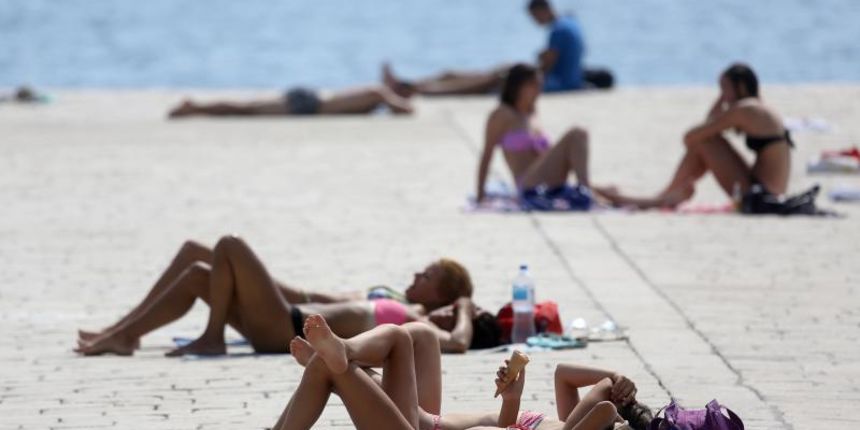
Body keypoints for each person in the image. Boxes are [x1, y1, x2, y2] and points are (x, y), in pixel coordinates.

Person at [74, 235, 498, 356]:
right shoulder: (406, 307)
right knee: (197, 271)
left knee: (230, 245)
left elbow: (459, 343)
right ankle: (124, 333)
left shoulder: (418, 324)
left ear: (448, 295)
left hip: (285, 325)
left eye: (428, 275)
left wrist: (462, 308)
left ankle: (213, 335)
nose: (417, 274)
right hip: (285, 316)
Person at [274, 314, 653, 430]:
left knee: (387, 343)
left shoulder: (585, 426)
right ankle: (345, 355)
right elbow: (565, 374)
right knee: (419, 334)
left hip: (420, 427)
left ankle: (342, 357)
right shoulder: (568, 422)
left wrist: (617, 409)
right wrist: (616, 377)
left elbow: (602, 409)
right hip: (429, 420)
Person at [604, 63, 793, 209]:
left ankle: (663, 197)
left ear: (740, 86)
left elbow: (692, 136)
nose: (724, 96)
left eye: (725, 88)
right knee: (706, 140)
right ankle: (666, 196)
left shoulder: (745, 109)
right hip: (764, 189)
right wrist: (723, 99)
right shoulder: (758, 107)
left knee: (704, 142)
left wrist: (720, 102)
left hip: (761, 195)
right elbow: (705, 129)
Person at [382, 0, 611, 97]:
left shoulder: (558, 30)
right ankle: (411, 84)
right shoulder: (570, 23)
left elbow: (544, 69)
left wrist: (519, 72)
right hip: (563, 80)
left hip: (559, 85)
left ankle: (416, 88)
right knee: (480, 73)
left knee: (491, 80)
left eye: (534, 17)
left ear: (542, 10)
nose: (535, 22)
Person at [475, 64, 606, 207]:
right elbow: (487, 155)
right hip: (528, 184)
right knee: (577, 133)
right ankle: (585, 192)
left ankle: (594, 192)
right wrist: (480, 194)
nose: (538, 90)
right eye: (533, 85)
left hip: (549, 180)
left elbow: (545, 155)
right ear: (517, 86)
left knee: (609, 190)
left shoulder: (532, 114)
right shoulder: (502, 114)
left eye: (540, 85)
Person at [167, 84, 413, 118]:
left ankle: (196, 107)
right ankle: (196, 107)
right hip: (309, 105)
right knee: (246, 110)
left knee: (247, 109)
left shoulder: (374, 95)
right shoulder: (379, 93)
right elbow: (404, 110)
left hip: (310, 101)